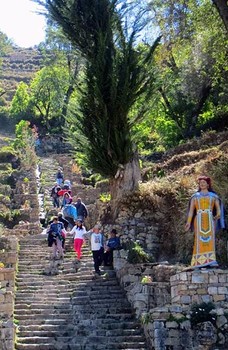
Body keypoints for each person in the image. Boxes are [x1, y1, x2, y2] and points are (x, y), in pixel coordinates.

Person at [185, 176, 225, 268]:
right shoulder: (195, 196)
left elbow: (218, 209)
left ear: (208, 184)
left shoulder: (213, 196)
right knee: (199, 239)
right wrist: (188, 222)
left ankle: (211, 260)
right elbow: (191, 211)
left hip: (209, 217)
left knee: (210, 239)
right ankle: (198, 261)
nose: (202, 184)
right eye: (200, 183)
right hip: (198, 218)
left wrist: (218, 215)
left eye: (204, 182)